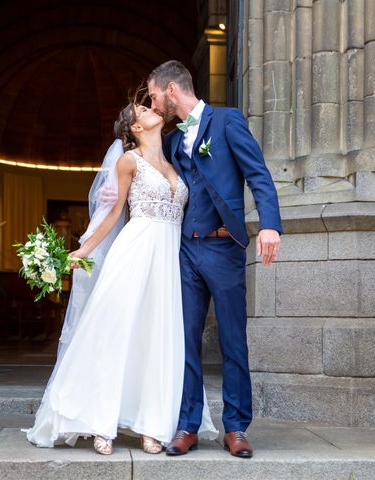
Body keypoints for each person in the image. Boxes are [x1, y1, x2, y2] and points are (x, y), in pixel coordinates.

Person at [22, 101, 218, 454]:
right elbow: (113, 214)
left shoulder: (177, 163)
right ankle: (101, 421)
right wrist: (82, 250)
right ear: (135, 128)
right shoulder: (129, 161)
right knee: (115, 332)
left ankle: (152, 424)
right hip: (135, 252)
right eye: (143, 109)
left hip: (170, 259)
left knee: (158, 337)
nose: (152, 108)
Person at [147, 60, 282, 458]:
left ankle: (236, 427)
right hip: (186, 250)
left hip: (224, 248)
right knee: (185, 339)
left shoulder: (227, 122)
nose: (154, 104)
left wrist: (269, 225)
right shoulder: (171, 142)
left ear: (172, 90)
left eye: (155, 95)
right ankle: (187, 424)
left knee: (231, 340)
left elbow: (258, 175)